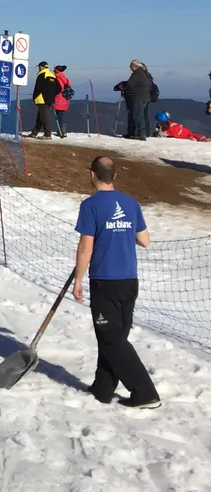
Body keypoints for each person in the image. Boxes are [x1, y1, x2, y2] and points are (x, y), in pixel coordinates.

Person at [73, 155, 160, 409]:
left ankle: (145, 393)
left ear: (92, 175)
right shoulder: (131, 204)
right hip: (129, 281)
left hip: (105, 281)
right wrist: (120, 233)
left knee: (112, 339)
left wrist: (78, 278)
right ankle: (103, 388)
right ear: (115, 177)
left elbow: (85, 247)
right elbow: (144, 240)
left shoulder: (90, 206)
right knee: (113, 336)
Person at [113, 60, 153, 141]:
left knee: (137, 116)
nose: (130, 68)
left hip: (138, 97)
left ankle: (141, 135)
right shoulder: (143, 74)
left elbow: (130, 84)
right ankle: (134, 134)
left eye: (131, 66)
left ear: (135, 66)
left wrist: (122, 87)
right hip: (143, 97)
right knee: (136, 115)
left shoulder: (137, 74)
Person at [29, 62, 59, 138]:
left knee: (44, 117)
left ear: (41, 67)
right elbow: (59, 88)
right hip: (50, 99)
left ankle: (47, 134)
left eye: (39, 66)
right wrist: (52, 95)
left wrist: (35, 97)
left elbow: (38, 87)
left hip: (41, 99)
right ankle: (34, 132)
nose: (39, 68)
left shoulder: (41, 75)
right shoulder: (52, 75)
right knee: (41, 116)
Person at [53, 65, 73, 139]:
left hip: (58, 99)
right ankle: (62, 129)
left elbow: (55, 90)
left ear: (56, 71)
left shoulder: (56, 79)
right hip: (65, 100)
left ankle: (62, 130)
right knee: (61, 115)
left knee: (59, 115)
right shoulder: (67, 80)